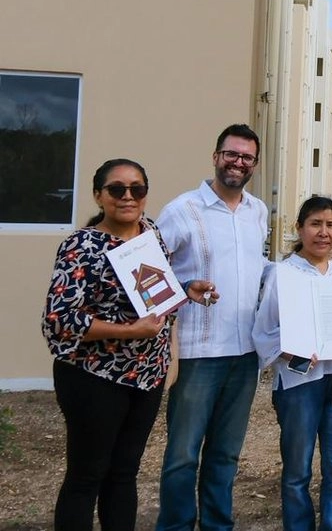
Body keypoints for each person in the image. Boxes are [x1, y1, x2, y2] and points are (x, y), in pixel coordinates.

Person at [42, 159, 209, 531]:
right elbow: (59, 319)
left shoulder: (151, 234)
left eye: (137, 188)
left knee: (124, 473)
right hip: (94, 377)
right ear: (98, 195)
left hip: (145, 376)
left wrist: (185, 290)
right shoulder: (81, 245)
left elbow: (150, 295)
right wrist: (129, 331)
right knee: (87, 475)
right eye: (117, 189)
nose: (128, 196)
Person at [156, 124, 269, 531]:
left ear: (255, 164)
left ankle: (217, 525)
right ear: (216, 156)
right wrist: (186, 286)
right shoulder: (181, 210)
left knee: (226, 454)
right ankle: (175, 525)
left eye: (247, 157)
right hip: (197, 353)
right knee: (183, 454)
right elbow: (150, 274)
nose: (238, 162)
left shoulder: (258, 212)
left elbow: (259, 271)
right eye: (231, 154)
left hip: (245, 353)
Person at [253, 196, 332, 531]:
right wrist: (291, 349)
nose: (323, 232)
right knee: (297, 470)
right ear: (299, 228)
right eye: (315, 224)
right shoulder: (283, 274)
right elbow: (263, 332)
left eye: (331, 225)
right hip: (298, 385)